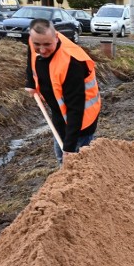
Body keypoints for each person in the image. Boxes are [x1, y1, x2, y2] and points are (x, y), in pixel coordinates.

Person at [25, 18, 101, 163]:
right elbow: (31, 57)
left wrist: (70, 147)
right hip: (59, 114)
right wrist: (30, 82)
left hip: (81, 120)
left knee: (79, 164)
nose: (42, 50)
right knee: (61, 157)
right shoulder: (35, 41)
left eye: (47, 44)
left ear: (56, 37)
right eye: (37, 44)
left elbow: (76, 109)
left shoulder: (72, 64)